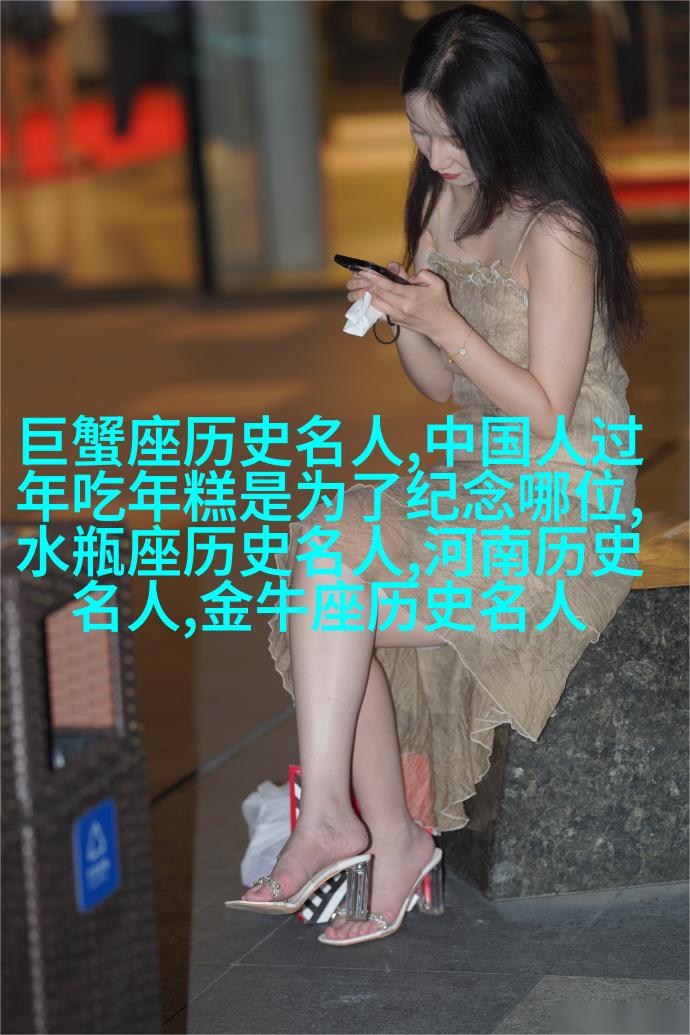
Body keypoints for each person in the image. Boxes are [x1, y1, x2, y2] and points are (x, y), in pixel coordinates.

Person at [225, 2, 644, 946]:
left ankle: (367, 832)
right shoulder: (440, 202)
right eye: (420, 131)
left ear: (506, 118)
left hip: (559, 494)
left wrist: (445, 321)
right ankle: (357, 826)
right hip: (473, 473)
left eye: (452, 136)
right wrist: (402, 318)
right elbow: (440, 386)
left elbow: (545, 416)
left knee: (330, 594)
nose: (437, 155)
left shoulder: (558, 229)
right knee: (322, 542)